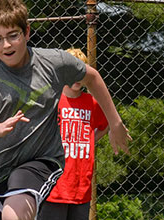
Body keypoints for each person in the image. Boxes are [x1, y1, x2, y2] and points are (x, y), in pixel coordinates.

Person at [0, 1, 131, 219]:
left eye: (13, 35)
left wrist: (115, 123)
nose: (6, 45)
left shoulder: (53, 62)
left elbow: (92, 77)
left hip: (39, 162)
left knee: (14, 213)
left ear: (27, 32)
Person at [38, 48, 108, 220]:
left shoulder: (92, 103)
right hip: (54, 186)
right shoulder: (51, 101)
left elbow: (104, 126)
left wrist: (89, 141)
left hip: (81, 187)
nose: (77, 77)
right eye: (71, 71)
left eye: (81, 71)